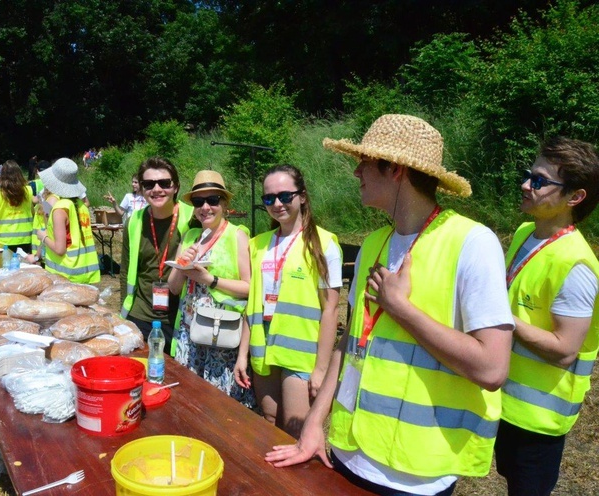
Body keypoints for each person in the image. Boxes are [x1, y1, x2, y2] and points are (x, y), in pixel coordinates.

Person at [265, 114, 515, 496]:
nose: (356, 172)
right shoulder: (373, 244)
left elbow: (493, 368)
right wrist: (315, 423)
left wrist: (403, 309)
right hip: (348, 454)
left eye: (365, 162)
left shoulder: (473, 243)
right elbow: (351, 344)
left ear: (395, 169)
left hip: (415, 476)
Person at [495, 137, 599, 496]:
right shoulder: (526, 233)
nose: (526, 185)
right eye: (528, 175)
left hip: (538, 422)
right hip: (503, 402)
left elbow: (565, 349)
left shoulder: (577, 265)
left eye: (539, 181)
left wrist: (501, 318)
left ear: (575, 197)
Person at [234, 164, 342, 437]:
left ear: (302, 196)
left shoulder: (324, 243)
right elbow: (252, 305)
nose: (277, 204)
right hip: (263, 350)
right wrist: (242, 355)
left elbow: (330, 310)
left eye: (285, 196)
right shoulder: (257, 244)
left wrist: (321, 368)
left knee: (296, 430)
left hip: (300, 354)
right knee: (270, 421)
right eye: (269, 198)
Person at [168, 170, 255, 408]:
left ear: (224, 203)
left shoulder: (236, 235)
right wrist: (182, 266)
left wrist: (210, 279)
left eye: (212, 200)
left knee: (218, 403)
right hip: (190, 331)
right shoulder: (190, 236)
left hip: (221, 332)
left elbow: (249, 288)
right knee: (189, 400)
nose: (205, 207)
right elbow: (174, 289)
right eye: (198, 202)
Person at [120, 157, 194, 354]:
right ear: (141, 189)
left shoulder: (193, 218)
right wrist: (123, 315)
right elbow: (125, 269)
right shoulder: (134, 220)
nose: (157, 189)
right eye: (149, 184)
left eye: (164, 183)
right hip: (140, 314)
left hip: (180, 317)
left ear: (176, 187)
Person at [31, 158, 100, 284]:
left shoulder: (59, 209)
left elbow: (60, 249)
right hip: (85, 273)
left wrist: (43, 237)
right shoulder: (81, 206)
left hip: (65, 275)